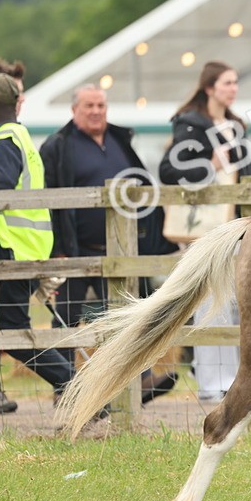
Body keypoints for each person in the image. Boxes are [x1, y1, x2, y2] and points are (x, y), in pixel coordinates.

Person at [0, 74, 108, 436]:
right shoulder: (18, 135)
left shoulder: (4, 140)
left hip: (12, 249)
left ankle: (83, 393)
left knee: (10, 333)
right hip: (22, 248)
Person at [39, 84, 179, 403]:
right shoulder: (58, 146)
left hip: (122, 251)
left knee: (131, 316)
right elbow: (50, 201)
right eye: (89, 105)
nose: (96, 111)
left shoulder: (119, 140)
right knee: (66, 319)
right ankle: (63, 388)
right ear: (74, 110)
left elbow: (144, 187)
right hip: (75, 251)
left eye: (101, 105)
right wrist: (57, 249)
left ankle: (138, 382)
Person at [159, 61, 251, 405]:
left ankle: (233, 379)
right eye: (228, 83)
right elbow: (169, 171)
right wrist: (208, 167)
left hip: (234, 225)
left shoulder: (236, 125)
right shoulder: (190, 125)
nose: (233, 88)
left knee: (235, 302)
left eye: (235, 82)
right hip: (202, 228)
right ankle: (212, 381)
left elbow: (247, 173)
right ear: (211, 87)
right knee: (211, 302)